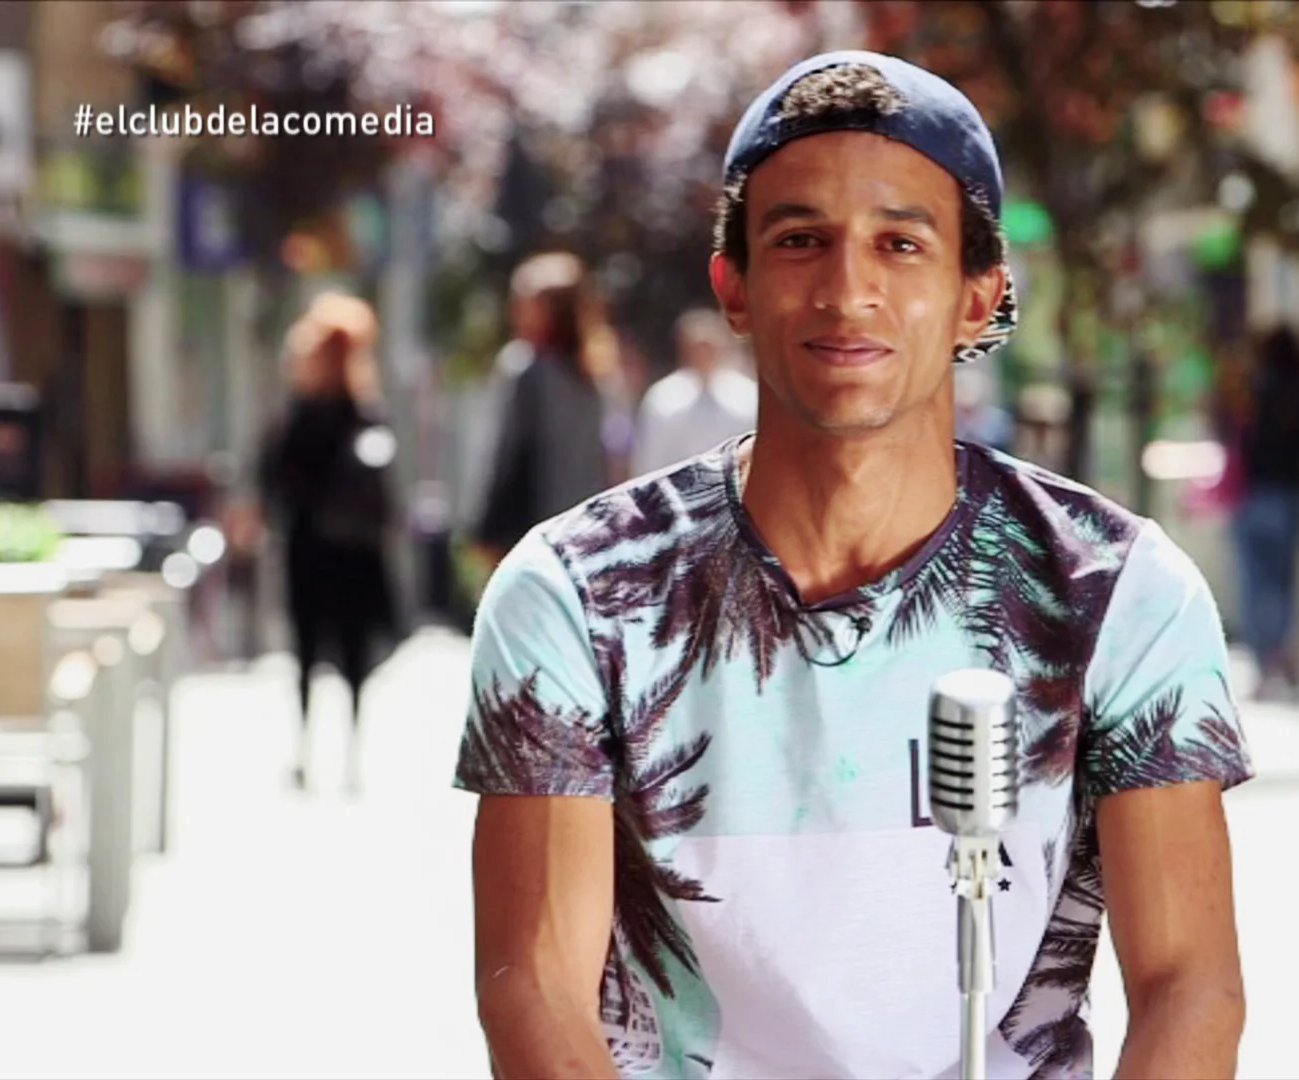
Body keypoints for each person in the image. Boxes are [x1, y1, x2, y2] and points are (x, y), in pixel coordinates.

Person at [458, 52, 1252, 1080]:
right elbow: (531, 987)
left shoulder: (1118, 593)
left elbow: (1192, 984)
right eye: (800, 241)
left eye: (899, 243)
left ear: (979, 298)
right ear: (733, 287)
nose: (847, 289)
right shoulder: (575, 597)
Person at [257, 293, 399, 795]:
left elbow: (274, 481)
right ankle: (341, 753)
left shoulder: (324, 414)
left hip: (318, 550)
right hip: (346, 553)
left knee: (314, 651)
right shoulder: (360, 414)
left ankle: (315, 752)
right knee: (343, 654)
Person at [470, 253, 617, 571]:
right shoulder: (595, 371)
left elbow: (505, 453)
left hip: (531, 530)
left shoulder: (525, 366)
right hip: (586, 529)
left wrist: (485, 528)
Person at [1218, 323, 1299, 701]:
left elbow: (1234, 439)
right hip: (1289, 496)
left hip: (1250, 497)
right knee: (1283, 584)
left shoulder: (1251, 391)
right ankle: (1282, 651)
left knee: (1253, 584)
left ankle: (1264, 664)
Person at [628, 308, 758, 476]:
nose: (703, 355)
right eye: (697, 348)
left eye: (708, 347)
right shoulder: (663, 397)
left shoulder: (748, 395)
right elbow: (649, 458)